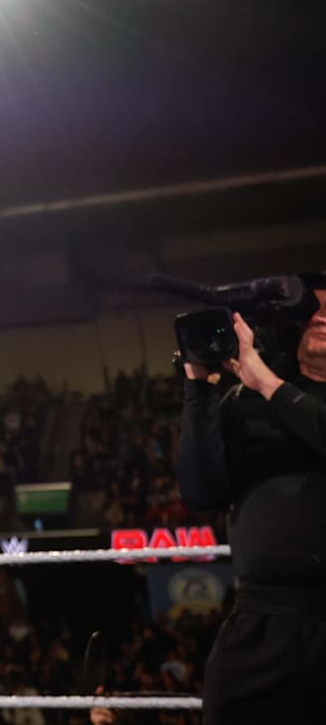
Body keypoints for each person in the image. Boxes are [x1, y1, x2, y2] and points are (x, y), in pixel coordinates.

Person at [176, 284, 326, 723]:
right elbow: (201, 493)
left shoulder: (263, 387)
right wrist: (198, 392)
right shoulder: (246, 403)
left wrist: (264, 380)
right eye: (314, 307)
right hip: (260, 621)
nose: (322, 315)